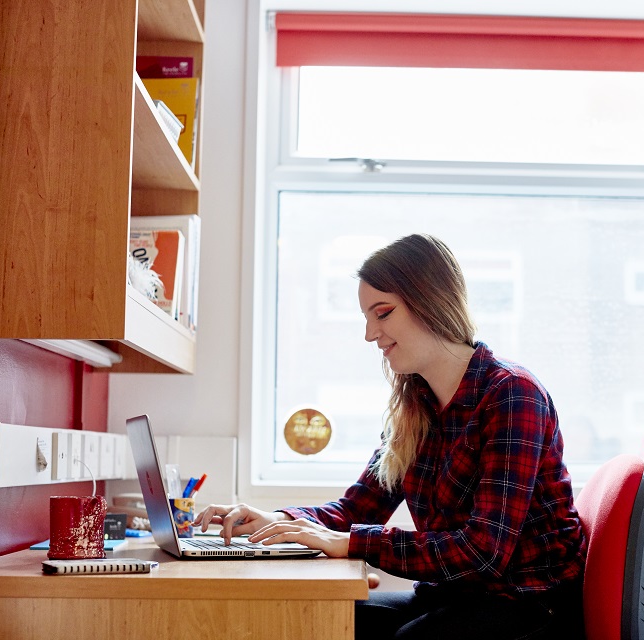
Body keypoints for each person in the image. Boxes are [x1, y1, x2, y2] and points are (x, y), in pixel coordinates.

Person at [193, 234, 587, 640]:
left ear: (430, 302)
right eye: (367, 317)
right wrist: (278, 521)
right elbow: (357, 508)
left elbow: (482, 553)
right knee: (325, 620)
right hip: (458, 596)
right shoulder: (414, 406)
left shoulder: (511, 394)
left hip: (531, 605)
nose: (369, 334)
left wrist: (351, 543)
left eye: (382, 313)